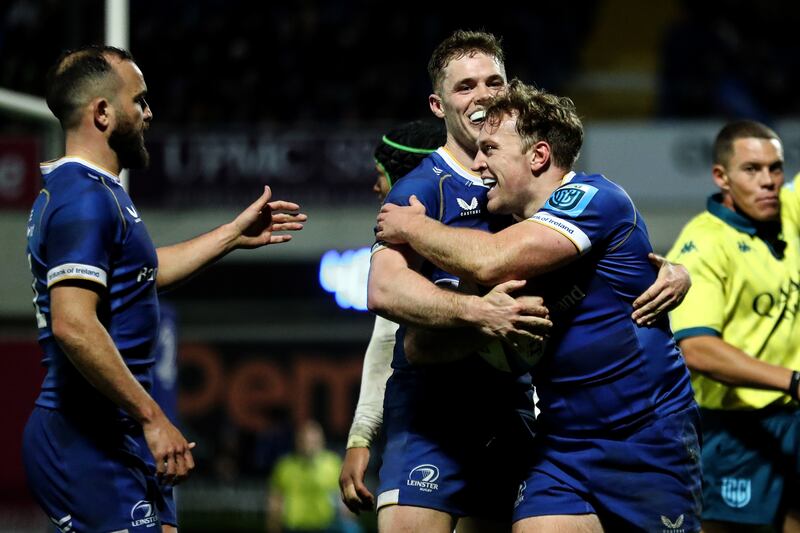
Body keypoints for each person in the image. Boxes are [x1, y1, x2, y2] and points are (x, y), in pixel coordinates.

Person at [375, 79, 701, 533]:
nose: (479, 161)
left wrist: (412, 226)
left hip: (646, 439)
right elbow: (418, 348)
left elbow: (492, 261)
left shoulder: (592, 197)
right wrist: (478, 317)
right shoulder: (502, 230)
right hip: (562, 448)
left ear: (538, 156)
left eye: (490, 148)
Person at [22, 45, 306, 532]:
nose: (150, 113)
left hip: (117, 428)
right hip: (86, 436)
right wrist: (154, 418)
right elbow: (73, 324)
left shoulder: (101, 194)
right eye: (140, 101)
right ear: (103, 113)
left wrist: (231, 235)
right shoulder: (84, 201)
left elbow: (145, 272)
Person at [666, 120, 800, 532]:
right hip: (734, 427)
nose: (768, 182)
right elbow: (698, 349)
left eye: (775, 168)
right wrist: (793, 381)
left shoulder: (789, 209)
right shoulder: (703, 244)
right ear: (721, 176)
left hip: (793, 415)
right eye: (752, 170)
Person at [339, 119, 446, 515]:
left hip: (495, 419)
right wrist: (360, 437)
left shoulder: (488, 230)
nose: (375, 187)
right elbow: (386, 341)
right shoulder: (397, 247)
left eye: (380, 175)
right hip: (420, 424)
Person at [268, 420, 346, 533]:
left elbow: (344, 498)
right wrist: (274, 525)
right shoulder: (284, 466)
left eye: (313, 441)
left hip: (327, 527)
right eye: (305, 441)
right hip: (294, 528)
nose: (309, 445)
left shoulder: (334, 464)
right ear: (297, 442)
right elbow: (275, 502)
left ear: (321, 441)